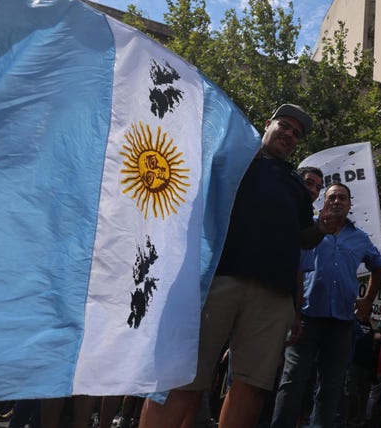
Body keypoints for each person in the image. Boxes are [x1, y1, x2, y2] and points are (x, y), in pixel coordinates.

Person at [140, 104, 335, 428]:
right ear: (267, 124)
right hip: (217, 280)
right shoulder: (233, 158)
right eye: (284, 126)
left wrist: (321, 229)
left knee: (252, 387)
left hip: (273, 296)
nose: (289, 135)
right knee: (181, 380)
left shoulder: (297, 187)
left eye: (296, 134)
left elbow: (302, 238)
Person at [271, 182, 381, 428]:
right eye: (332, 197)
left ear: (349, 204)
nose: (337, 201)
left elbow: (378, 269)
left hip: (342, 323)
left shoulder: (360, 238)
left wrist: (367, 301)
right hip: (305, 317)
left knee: (331, 386)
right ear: (324, 202)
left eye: (342, 198)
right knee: (292, 381)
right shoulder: (309, 228)